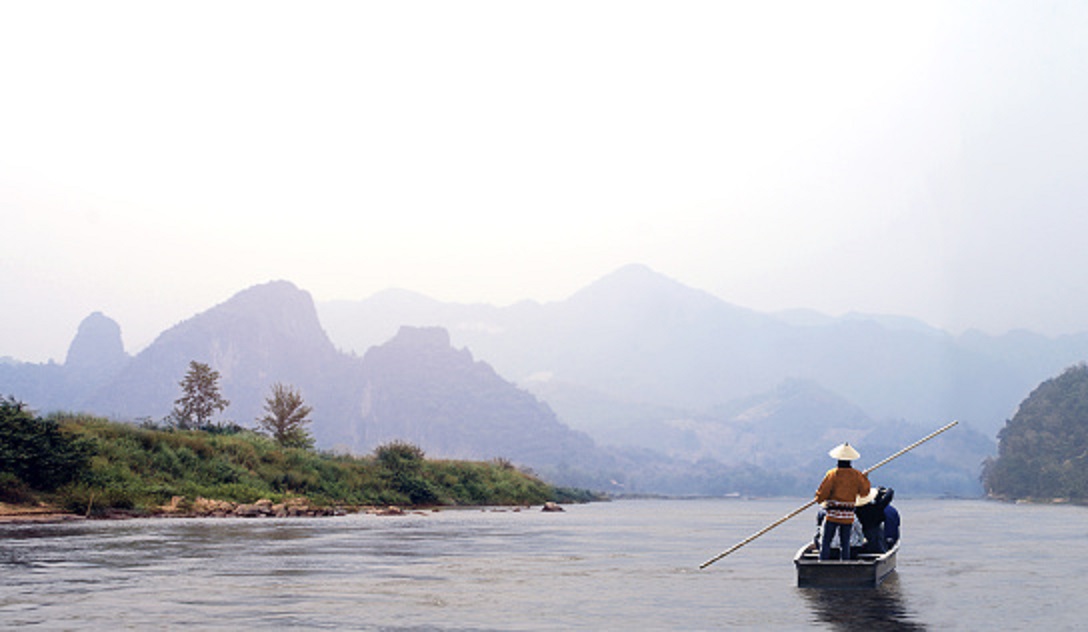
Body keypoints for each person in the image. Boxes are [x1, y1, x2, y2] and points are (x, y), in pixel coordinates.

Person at [814, 442, 871, 561]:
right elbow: (864, 493)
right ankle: (845, 563)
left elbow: (822, 494)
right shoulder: (857, 475)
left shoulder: (833, 474)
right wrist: (865, 478)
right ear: (850, 460)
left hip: (833, 515)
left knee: (826, 541)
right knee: (845, 543)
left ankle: (822, 562)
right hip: (848, 516)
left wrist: (818, 497)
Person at [854, 486, 894, 553]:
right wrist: (884, 491)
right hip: (875, 533)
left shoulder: (857, 509)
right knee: (879, 547)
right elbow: (888, 496)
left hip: (863, 532)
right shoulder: (875, 508)